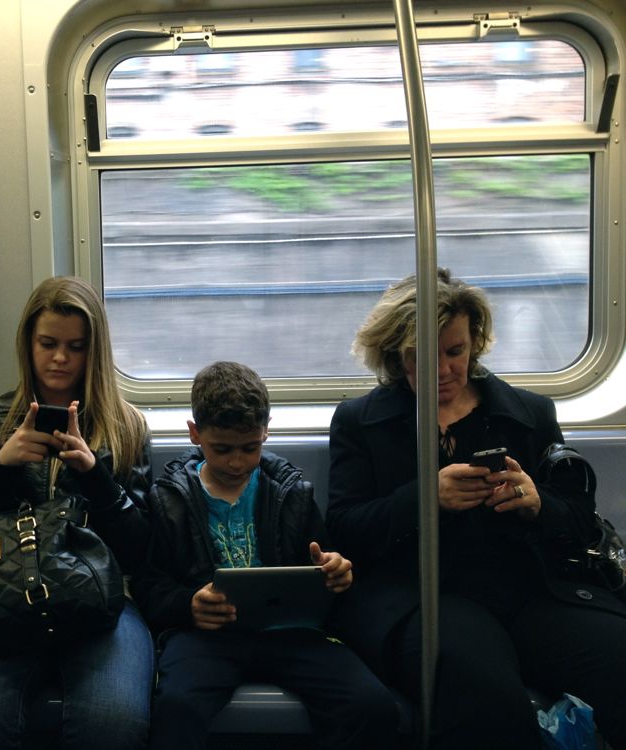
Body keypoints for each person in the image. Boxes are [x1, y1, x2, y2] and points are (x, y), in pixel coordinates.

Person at [327, 269, 626, 749]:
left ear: (475, 344)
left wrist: (535, 503)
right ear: (396, 354)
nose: (443, 370)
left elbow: (576, 521)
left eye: (455, 352)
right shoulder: (361, 421)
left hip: (527, 588)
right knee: (482, 691)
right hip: (423, 595)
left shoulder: (529, 413)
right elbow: (346, 529)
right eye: (422, 356)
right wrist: (425, 498)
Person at [132, 361, 399, 750]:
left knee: (371, 705)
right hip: (206, 638)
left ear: (266, 431)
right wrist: (188, 604)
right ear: (195, 434)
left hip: (289, 632)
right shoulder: (169, 498)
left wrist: (336, 574)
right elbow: (149, 583)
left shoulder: (291, 492)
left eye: (250, 447)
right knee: (177, 707)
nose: (237, 462)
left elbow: (320, 568)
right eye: (222, 449)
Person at [0, 276, 154, 750]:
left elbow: (140, 549)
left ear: (93, 351)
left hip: (103, 602)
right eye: (48, 344)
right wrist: (2, 468)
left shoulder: (126, 427)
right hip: (4, 598)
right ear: (27, 344)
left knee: (113, 719)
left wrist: (96, 476)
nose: (59, 359)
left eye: (75, 347)